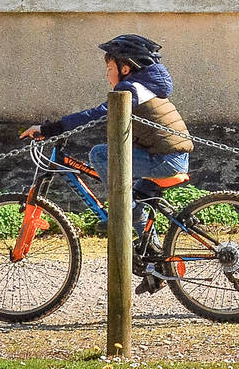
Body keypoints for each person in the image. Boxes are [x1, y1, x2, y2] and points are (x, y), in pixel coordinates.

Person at [22, 33, 193, 289]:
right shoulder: (143, 87)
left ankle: (118, 213)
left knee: (100, 154)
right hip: (170, 157)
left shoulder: (130, 89)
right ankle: (155, 265)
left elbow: (98, 113)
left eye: (110, 68)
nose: (107, 74)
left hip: (165, 160)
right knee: (136, 206)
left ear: (126, 68)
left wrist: (51, 128)